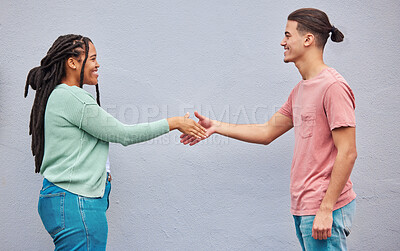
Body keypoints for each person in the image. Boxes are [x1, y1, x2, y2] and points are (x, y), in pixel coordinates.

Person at [181, 8, 357, 250]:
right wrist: (216, 126)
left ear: (308, 40)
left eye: (288, 35)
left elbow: (348, 152)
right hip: (305, 207)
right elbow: (267, 132)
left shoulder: (333, 87)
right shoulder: (300, 90)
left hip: (324, 207)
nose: (282, 42)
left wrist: (326, 208)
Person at [25, 34, 207, 250]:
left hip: (64, 198)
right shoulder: (73, 98)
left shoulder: (58, 95)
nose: (97, 64)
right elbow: (123, 134)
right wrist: (174, 122)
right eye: (92, 58)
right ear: (72, 62)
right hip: (77, 201)